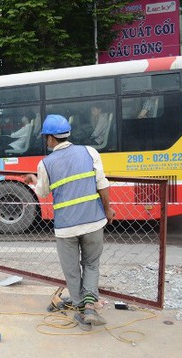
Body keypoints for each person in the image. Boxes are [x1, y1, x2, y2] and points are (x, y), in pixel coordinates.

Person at [24, 114, 115, 331]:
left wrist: (33, 180)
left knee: (72, 270)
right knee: (91, 264)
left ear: (50, 138)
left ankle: (82, 310)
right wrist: (108, 208)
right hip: (93, 221)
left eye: (45, 137)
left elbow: (43, 192)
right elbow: (102, 184)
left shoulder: (45, 163)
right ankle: (91, 305)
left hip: (66, 227)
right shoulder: (89, 152)